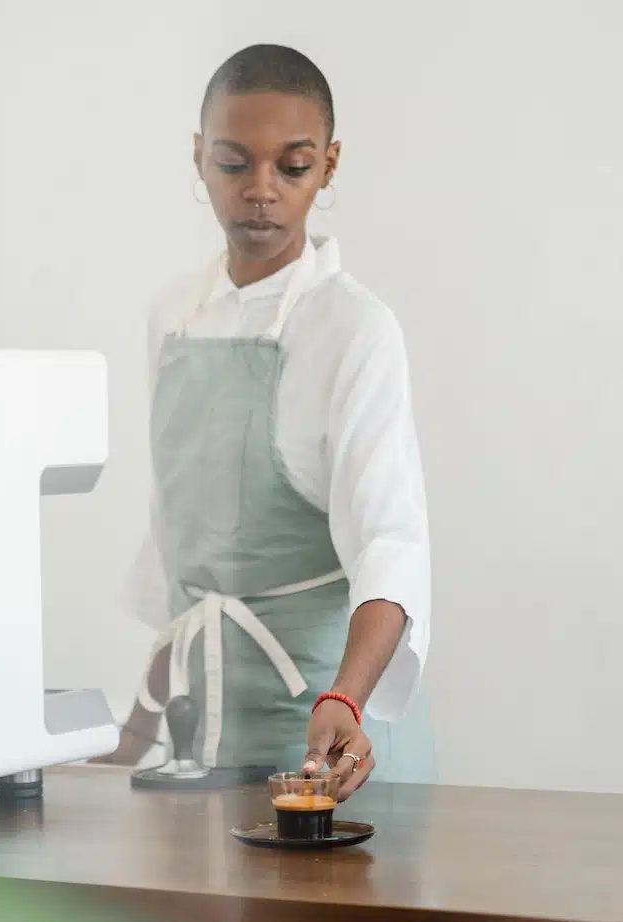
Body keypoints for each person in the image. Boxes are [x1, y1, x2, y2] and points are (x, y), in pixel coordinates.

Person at [102, 44, 436, 799]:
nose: (260, 191)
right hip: (207, 743)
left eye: (292, 166)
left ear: (330, 165)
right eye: (232, 163)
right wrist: (131, 738)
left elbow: (392, 542)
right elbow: (180, 554)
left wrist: (345, 699)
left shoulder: (355, 329)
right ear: (198, 159)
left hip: (331, 738)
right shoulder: (173, 317)